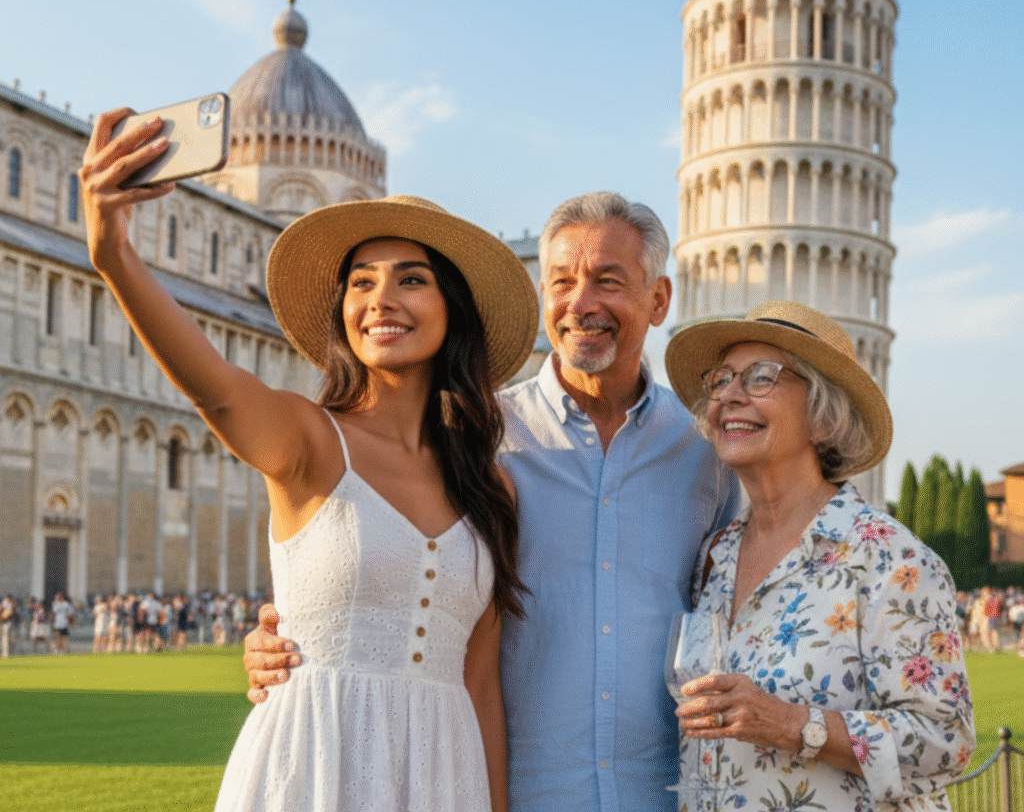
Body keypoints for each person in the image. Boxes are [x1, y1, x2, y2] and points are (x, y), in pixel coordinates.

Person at [81, 106, 540, 811]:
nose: (381, 298)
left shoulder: (491, 488)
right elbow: (213, 385)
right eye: (361, 281)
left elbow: (480, 687)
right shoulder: (307, 441)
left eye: (411, 279)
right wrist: (113, 253)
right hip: (310, 770)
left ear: (454, 307)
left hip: (444, 781)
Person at [246, 191, 740, 811]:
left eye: (608, 281)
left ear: (660, 299)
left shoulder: (707, 455)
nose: (581, 303)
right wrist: (287, 636)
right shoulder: (471, 443)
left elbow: (737, 613)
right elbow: (373, 560)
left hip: (665, 793)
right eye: (561, 282)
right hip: (515, 790)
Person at [664, 300, 976, 812]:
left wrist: (791, 724)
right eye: (721, 380)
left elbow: (947, 742)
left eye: (761, 378)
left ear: (824, 418)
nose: (729, 396)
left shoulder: (888, 560)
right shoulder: (715, 556)